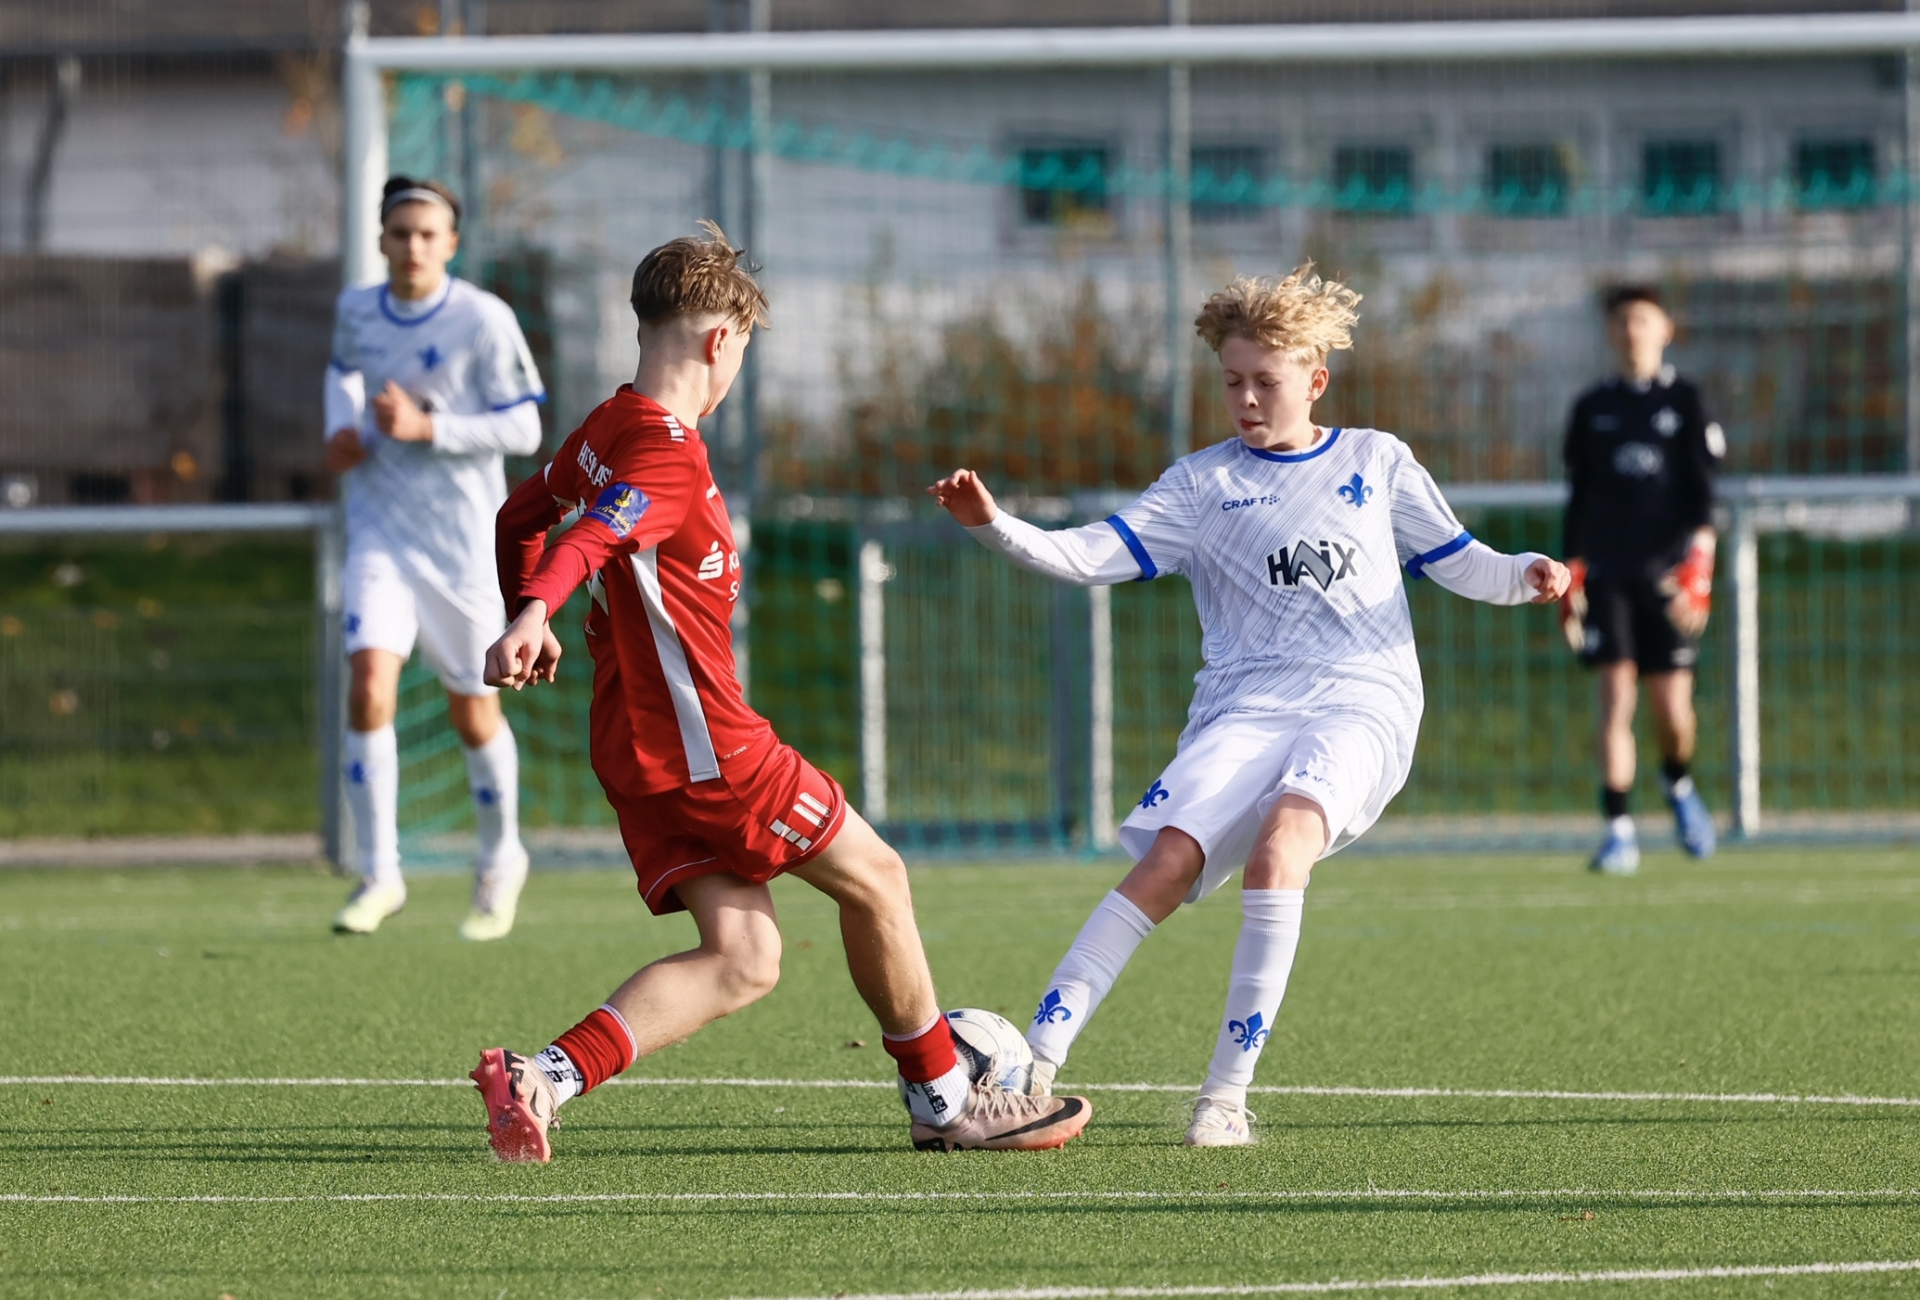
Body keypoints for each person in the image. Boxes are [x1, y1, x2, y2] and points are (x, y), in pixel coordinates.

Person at [469, 222, 1090, 1162]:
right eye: (742, 354)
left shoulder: (606, 427)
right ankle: (946, 1099)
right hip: (710, 749)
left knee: (744, 957)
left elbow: (524, 513)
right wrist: (533, 614)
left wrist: (531, 606)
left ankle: (541, 1078)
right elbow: (589, 536)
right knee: (877, 878)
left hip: (634, 746)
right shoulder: (668, 453)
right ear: (722, 341)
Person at [930, 265, 1570, 1148]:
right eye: (1232, 381)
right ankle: (1032, 1068)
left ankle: (1224, 1098)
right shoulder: (1202, 485)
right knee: (1166, 864)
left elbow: (1460, 560)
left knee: (1281, 849)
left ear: (1316, 381)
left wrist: (1526, 574)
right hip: (1246, 706)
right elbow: (1090, 554)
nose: (1246, 399)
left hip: (1363, 699)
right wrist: (996, 525)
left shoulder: (1376, 461)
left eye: (1265, 381)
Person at [324, 177, 546, 940]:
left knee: (473, 709)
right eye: (400, 233)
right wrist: (339, 430)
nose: (413, 247)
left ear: (451, 243)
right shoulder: (356, 310)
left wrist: (431, 428)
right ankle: (379, 873)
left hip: (463, 545)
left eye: (427, 234)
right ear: (381, 240)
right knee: (368, 686)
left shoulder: (483, 319)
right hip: (380, 532)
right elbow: (341, 373)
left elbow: (524, 429)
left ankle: (501, 859)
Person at [1560, 285, 1724, 875]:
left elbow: (1704, 497)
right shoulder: (1591, 408)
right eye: (1624, 321)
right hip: (1609, 576)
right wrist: (1571, 574)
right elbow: (1579, 500)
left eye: (1644, 321)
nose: (1633, 331)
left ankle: (1677, 782)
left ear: (1665, 330)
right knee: (1615, 700)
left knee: (1673, 713)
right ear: (1612, 333)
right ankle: (1619, 831)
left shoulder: (1687, 401)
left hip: (1668, 578)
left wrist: (1699, 569)